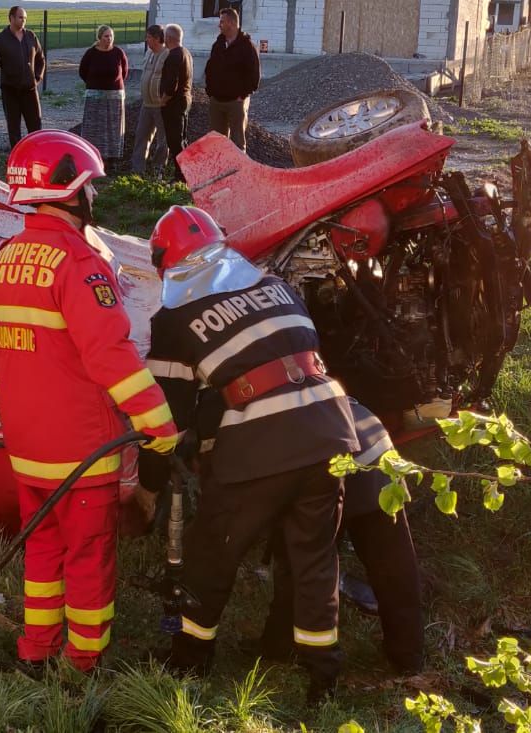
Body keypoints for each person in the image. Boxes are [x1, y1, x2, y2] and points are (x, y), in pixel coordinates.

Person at [139, 205, 356, 703]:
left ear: (166, 265)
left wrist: (149, 486)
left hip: (265, 442)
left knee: (211, 550)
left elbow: (167, 419)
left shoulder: (174, 319)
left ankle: (189, 661)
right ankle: (321, 673)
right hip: (330, 430)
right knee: (314, 555)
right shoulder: (276, 286)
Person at [0, 130, 179, 673]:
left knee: (43, 549)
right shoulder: (78, 262)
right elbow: (110, 354)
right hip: (81, 450)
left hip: (27, 448)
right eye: (89, 186)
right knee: (89, 558)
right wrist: (159, 424)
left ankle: (36, 649)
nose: (94, 195)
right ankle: (82, 663)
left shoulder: (5, 259)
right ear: (68, 189)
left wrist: (19, 416)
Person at [260, 399, 425, 677]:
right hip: (372, 445)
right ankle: (408, 656)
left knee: (300, 562)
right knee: (393, 564)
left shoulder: (238, 404)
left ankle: (282, 647)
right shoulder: (298, 376)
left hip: (329, 461)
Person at [0, 6, 45, 148]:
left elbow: (41, 59)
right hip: (10, 90)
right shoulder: (1, 39)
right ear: (11, 18)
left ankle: (36, 155)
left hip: (30, 90)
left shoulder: (31, 36)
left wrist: (37, 78)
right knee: (14, 128)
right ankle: (17, 156)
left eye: (25, 18)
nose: (23, 20)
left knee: (36, 126)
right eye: (20, 17)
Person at [204, 8, 260, 153]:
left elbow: (254, 74)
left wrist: (243, 95)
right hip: (217, 101)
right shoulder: (218, 45)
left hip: (236, 102)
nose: (219, 25)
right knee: (216, 142)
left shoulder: (247, 47)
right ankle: (219, 168)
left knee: (237, 144)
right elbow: (209, 69)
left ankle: (238, 168)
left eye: (222, 22)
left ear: (231, 23)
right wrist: (210, 92)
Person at [79, 25, 129, 173]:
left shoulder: (118, 53)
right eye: (106, 36)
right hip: (95, 97)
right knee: (94, 128)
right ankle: (94, 158)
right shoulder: (91, 53)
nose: (109, 39)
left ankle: (113, 160)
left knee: (113, 128)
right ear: (99, 37)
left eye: (111, 36)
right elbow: (82, 71)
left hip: (114, 98)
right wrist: (95, 84)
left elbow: (124, 72)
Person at [130, 24, 170, 177]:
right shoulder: (148, 53)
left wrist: (165, 97)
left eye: (149, 37)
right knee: (141, 136)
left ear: (157, 38)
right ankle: (137, 170)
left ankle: (158, 170)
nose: (146, 40)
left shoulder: (167, 54)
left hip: (161, 105)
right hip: (146, 103)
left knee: (162, 140)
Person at [158, 24, 193, 182]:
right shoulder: (186, 53)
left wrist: (163, 100)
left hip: (174, 104)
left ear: (168, 38)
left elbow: (172, 84)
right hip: (185, 101)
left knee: (175, 141)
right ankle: (185, 173)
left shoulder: (173, 56)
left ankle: (181, 176)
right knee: (182, 139)